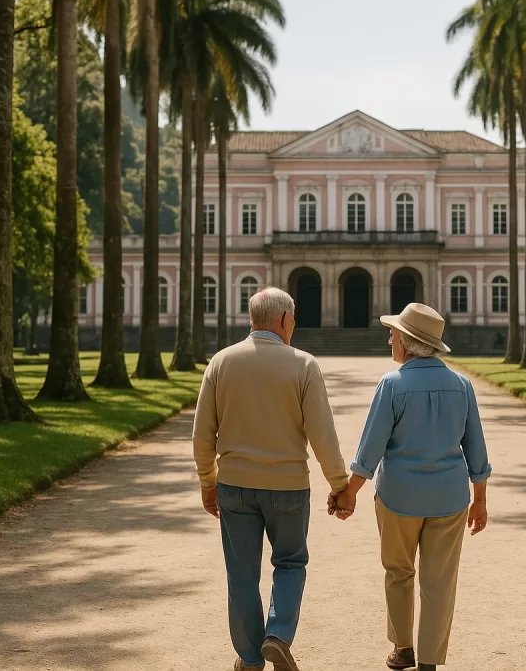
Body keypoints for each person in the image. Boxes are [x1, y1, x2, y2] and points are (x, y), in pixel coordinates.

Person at [193, 287, 349, 671]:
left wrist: (208, 481)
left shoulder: (221, 362)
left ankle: (249, 659)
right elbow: (322, 435)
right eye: (292, 320)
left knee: (241, 575)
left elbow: (202, 434)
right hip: (288, 486)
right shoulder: (304, 364)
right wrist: (339, 484)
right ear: (283, 319)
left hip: (234, 486)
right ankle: (277, 636)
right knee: (291, 563)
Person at [331, 302, 492, 671]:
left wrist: (349, 492)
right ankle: (430, 660)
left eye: (393, 334)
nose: (390, 340)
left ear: (405, 342)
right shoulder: (462, 385)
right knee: (440, 581)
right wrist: (480, 499)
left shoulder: (392, 385)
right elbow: (476, 447)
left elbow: (370, 449)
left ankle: (403, 648)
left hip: (398, 497)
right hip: (449, 499)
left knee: (398, 572)